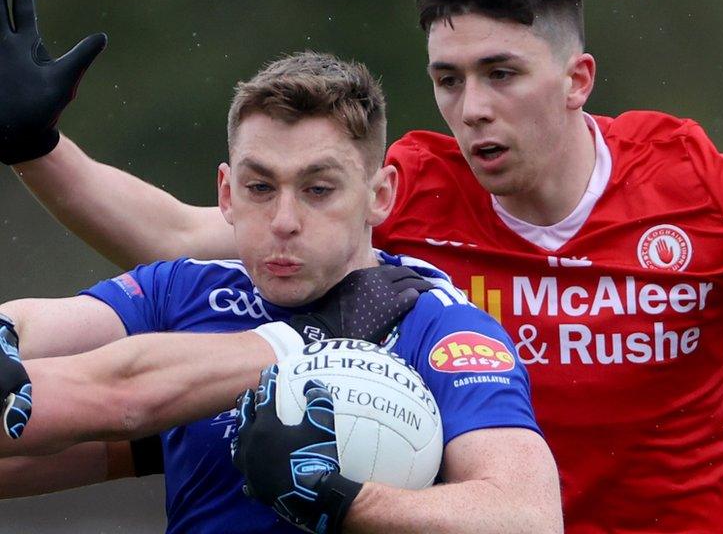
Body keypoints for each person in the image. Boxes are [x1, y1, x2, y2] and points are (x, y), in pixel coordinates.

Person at [2, 0, 723, 532]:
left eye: (501, 73)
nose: (470, 108)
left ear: (577, 80)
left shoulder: (701, 185)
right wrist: (39, 144)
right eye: (449, 79)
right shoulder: (407, 184)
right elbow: (200, 241)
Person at [0, 47, 562, 533]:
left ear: (381, 194)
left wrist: (345, 501)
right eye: (260, 187)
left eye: (318, 189)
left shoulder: (432, 322)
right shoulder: (184, 290)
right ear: (226, 191)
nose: (284, 219)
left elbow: (527, 517)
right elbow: (37, 335)